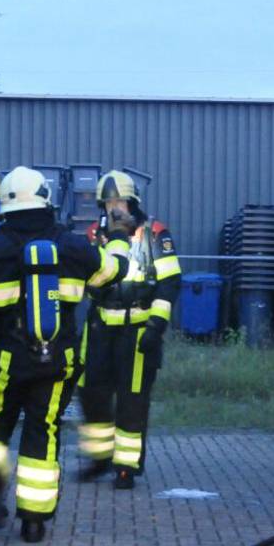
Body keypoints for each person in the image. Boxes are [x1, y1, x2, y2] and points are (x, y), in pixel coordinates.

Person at [0, 166, 131, 542]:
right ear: (46, 201)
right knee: (43, 430)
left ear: (6, 204)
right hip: (56, 361)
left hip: (3, 362)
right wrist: (117, 236)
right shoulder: (72, 246)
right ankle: (33, 520)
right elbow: (114, 272)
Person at [77, 170, 181, 490]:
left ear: (133, 203)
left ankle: (126, 466)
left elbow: (170, 282)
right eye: (108, 203)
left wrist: (156, 326)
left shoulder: (154, 234)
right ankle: (99, 458)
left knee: (132, 400)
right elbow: (88, 280)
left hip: (137, 330)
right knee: (91, 393)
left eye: (120, 201)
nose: (114, 208)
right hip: (99, 328)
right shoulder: (95, 235)